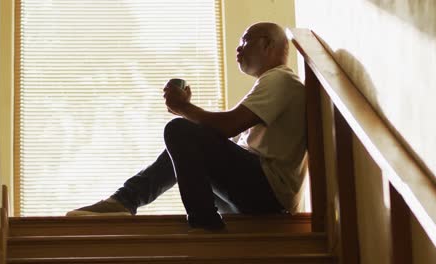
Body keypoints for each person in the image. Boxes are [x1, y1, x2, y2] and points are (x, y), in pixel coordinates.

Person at [67, 22, 308, 231]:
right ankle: (124, 200)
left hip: (268, 194)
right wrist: (187, 111)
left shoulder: (280, 78)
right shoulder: (273, 85)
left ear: (267, 44)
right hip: (259, 195)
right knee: (184, 143)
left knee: (179, 130)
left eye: (245, 40)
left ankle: (200, 219)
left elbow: (227, 127)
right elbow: (217, 138)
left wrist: (183, 109)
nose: (238, 48)